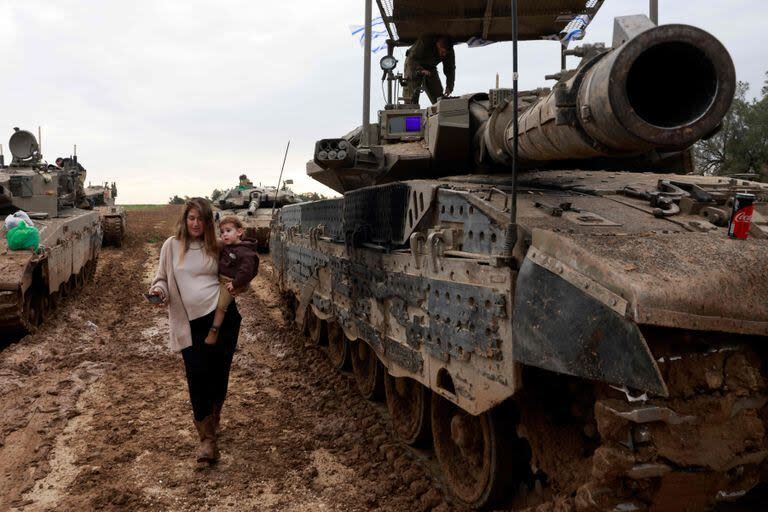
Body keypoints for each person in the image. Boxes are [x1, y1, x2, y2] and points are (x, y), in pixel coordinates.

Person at [148, 198, 243, 464]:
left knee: (218, 375)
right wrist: (158, 291)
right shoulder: (172, 246)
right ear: (184, 219)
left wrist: (241, 281)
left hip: (223, 319)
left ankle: (214, 421)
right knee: (196, 376)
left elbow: (243, 264)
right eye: (191, 218)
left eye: (201, 219)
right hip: (189, 324)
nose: (196, 223)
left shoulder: (218, 246)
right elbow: (162, 279)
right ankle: (207, 440)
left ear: (208, 221)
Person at [205, 216, 259, 345]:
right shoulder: (228, 246)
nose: (224, 235)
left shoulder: (245, 252)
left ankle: (214, 330)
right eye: (222, 232)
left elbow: (246, 273)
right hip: (220, 279)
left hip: (229, 283)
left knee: (221, 306)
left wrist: (235, 284)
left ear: (239, 232)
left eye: (228, 231)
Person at [402, 35, 455, 106]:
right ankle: (410, 111)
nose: (444, 55)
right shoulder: (424, 42)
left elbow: (450, 69)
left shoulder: (449, 52)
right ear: (438, 45)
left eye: (446, 53)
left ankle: (441, 112)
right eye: (442, 52)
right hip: (413, 65)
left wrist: (449, 86)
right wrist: (420, 70)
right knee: (411, 96)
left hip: (430, 67)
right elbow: (412, 60)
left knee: (438, 96)